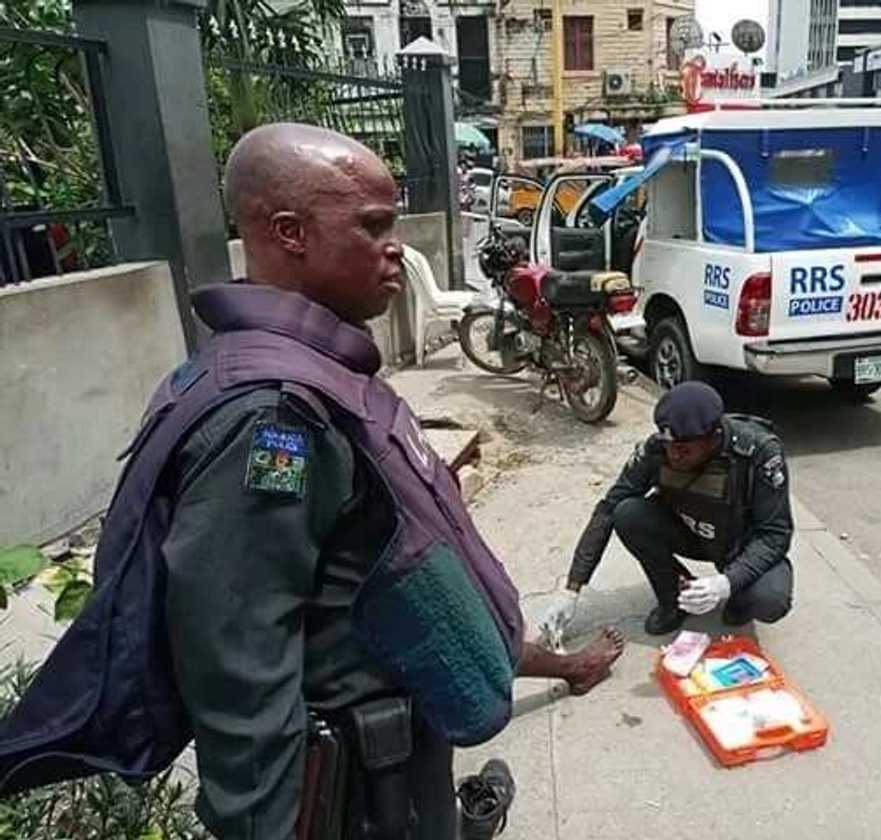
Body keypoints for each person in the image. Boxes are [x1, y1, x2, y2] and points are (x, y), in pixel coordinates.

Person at [0, 124, 625, 840]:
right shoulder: (272, 415)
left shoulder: (316, 373)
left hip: (404, 748)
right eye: (372, 226)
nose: (396, 247)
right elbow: (237, 663)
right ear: (289, 232)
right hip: (359, 790)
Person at [542, 382, 793, 640]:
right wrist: (572, 589)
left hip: (739, 543)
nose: (674, 455)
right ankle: (673, 599)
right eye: (669, 445)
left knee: (769, 599)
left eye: (685, 449)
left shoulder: (758, 452)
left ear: (714, 437)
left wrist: (726, 584)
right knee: (627, 513)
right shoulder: (656, 448)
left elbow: (775, 534)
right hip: (690, 531)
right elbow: (607, 509)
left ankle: (740, 600)